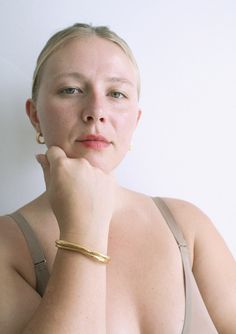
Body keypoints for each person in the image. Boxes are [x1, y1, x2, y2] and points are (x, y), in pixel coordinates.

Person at [0, 23, 235, 334]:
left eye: (116, 93)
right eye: (71, 89)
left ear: (135, 120)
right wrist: (84, 228)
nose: (96, 111)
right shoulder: (6, 245)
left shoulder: (188, 225)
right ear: (35, 116)